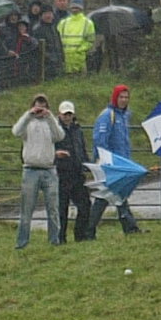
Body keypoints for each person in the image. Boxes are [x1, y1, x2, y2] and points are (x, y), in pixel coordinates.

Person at [91, 86, 143, 236]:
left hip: (122, 163)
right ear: (115, 98)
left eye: (126, 97)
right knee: (105, 197)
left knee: (120, 196)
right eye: (121, 97)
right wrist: (107, 162)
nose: (124, 100)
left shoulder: (124, 116)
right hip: (112, 165)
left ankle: (130, 228)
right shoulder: (108, 115)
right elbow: (100, 140)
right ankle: (89, 229)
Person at [13, 94, 63, 248]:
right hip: (30, 170)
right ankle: (22, 243)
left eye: (43, 106)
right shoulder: (28, 123)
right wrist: (29, 115)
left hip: (49, 170)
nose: (40, 109)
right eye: (37, 106)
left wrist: (50, 118)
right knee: (26, 210)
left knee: (53, 209)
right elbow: (15, 131)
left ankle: (54, 241)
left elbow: (60, 136)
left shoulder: (50, 123)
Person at [51, 99, 93, 243]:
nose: (68, 117)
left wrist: (88, 165)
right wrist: (57, 155)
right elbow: (49, 150)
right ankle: (60, 238)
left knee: (85, 205)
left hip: (77, 174)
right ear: (60, 114)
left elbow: (81, 149)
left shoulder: (77, 130)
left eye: (70, 114)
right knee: (62, 208)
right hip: (61, 174)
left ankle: (80, 235)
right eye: (65, 114)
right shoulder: (55, 130)